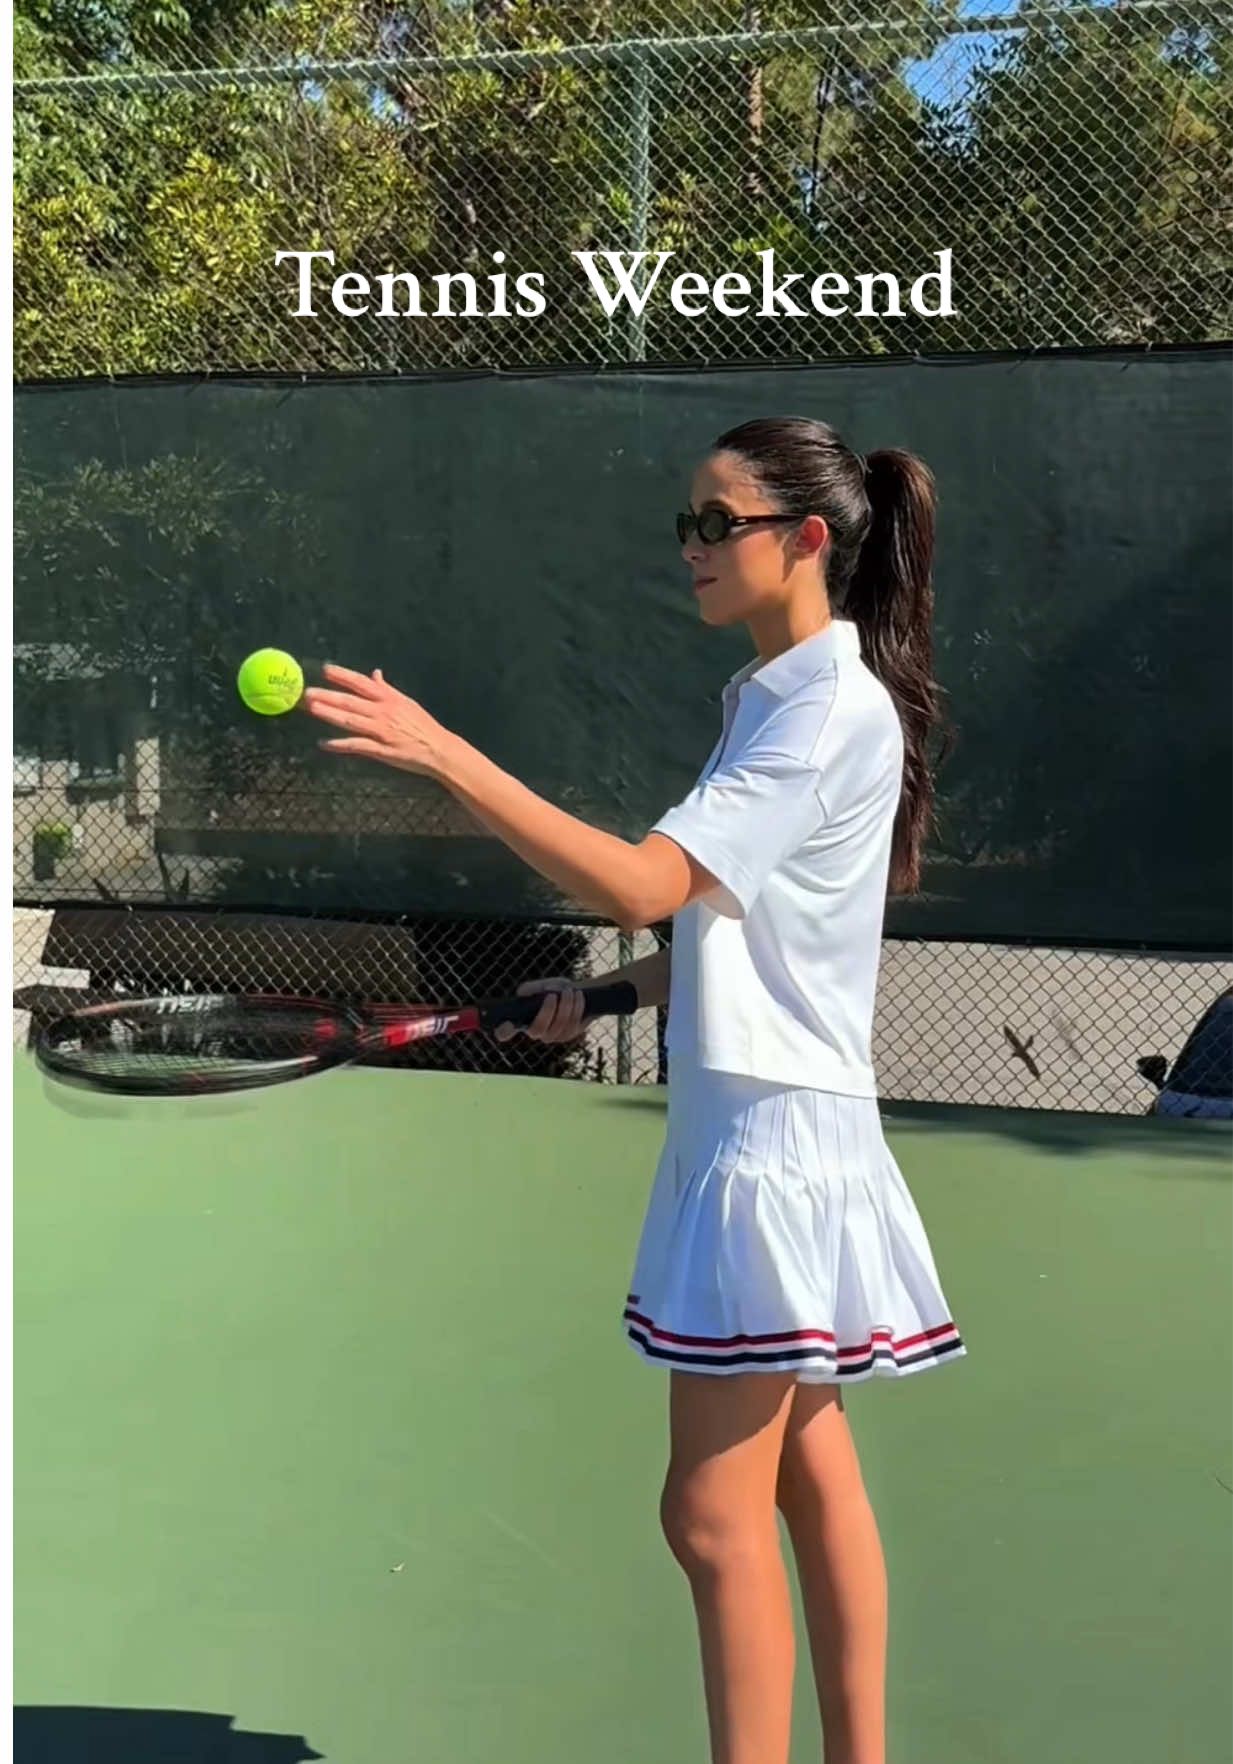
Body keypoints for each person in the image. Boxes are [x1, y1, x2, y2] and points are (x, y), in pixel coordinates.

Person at [304, 415, 966, 1764]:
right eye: (687, 524)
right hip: (779, 1120)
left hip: (769, 1142)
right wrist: (608, 997)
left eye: (717, 522)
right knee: (806, 1475)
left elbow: (647, 885)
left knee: (709, 1517)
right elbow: (739, 926)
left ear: (806, 539)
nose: (693, 549)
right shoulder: (784, 696)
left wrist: (443, 753)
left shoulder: (819, 709)